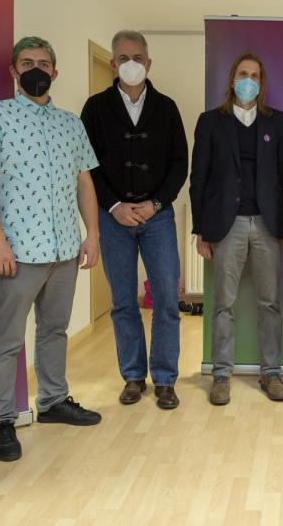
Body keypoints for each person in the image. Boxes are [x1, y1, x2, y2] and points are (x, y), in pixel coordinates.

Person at [0, 36, 102, 463]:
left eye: (44, 63)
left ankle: (54, 401)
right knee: (7, 338)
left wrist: (92, 233)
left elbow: (84, 181)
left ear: (55, 72)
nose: (36, 69)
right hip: (17, 251)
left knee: (54, 331)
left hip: (64, 249)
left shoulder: (71, 124)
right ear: (14, 71)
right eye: (27, 63)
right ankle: (1, 420)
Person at [81, 30, 188, 410]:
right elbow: (87, 165)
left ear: (148, 63)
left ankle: (164, 379)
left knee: (166, 300)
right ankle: (132, 376)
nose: (131, 63)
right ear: (112, 63)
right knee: (123, 301)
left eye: (138, 57)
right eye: (124, 57)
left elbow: (179, 164)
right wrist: (113, 206)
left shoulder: (167, 107)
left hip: (157, 216)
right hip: (114, 220)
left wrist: (157, 203)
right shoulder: (94, 108)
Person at [190, 53, 283, 405]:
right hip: (225, 225)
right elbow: (198, 178)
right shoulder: (209, 122)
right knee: (224, 305)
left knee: (270, 303)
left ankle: (271, 372)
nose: (248, 80)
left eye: (254, 75)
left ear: (261, 84)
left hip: (266, 224)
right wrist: (201, 230)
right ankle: (221, 374)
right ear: (232, 79)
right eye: (242, 74)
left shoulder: (276, 122)